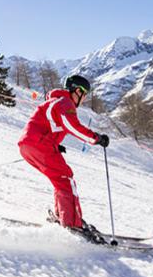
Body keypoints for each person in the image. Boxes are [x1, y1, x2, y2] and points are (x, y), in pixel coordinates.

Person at [18, 75, 110, 231]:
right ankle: (72, 226)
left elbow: (50, 124)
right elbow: (72, 126)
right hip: (39, 145)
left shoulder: (56, 101)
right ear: (77, 91)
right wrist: (97, 138)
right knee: (65, 179)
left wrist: (55, 144)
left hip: (29, 145)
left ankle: (63, 217)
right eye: (84, 94)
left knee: (60, 179)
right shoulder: (65, 102)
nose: (84, 99)